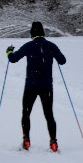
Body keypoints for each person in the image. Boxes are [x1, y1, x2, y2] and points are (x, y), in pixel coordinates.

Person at [6, 20, 66, 152]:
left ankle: (26, 139)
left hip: (31, 86)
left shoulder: (29, 46)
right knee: (49, 115)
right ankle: (53, 142)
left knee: (26, 113)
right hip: (46, 87)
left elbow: (13, 59)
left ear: (32, 33)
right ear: (43, 32)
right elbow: (63, 61)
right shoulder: (51, 46)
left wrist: (9, 51)